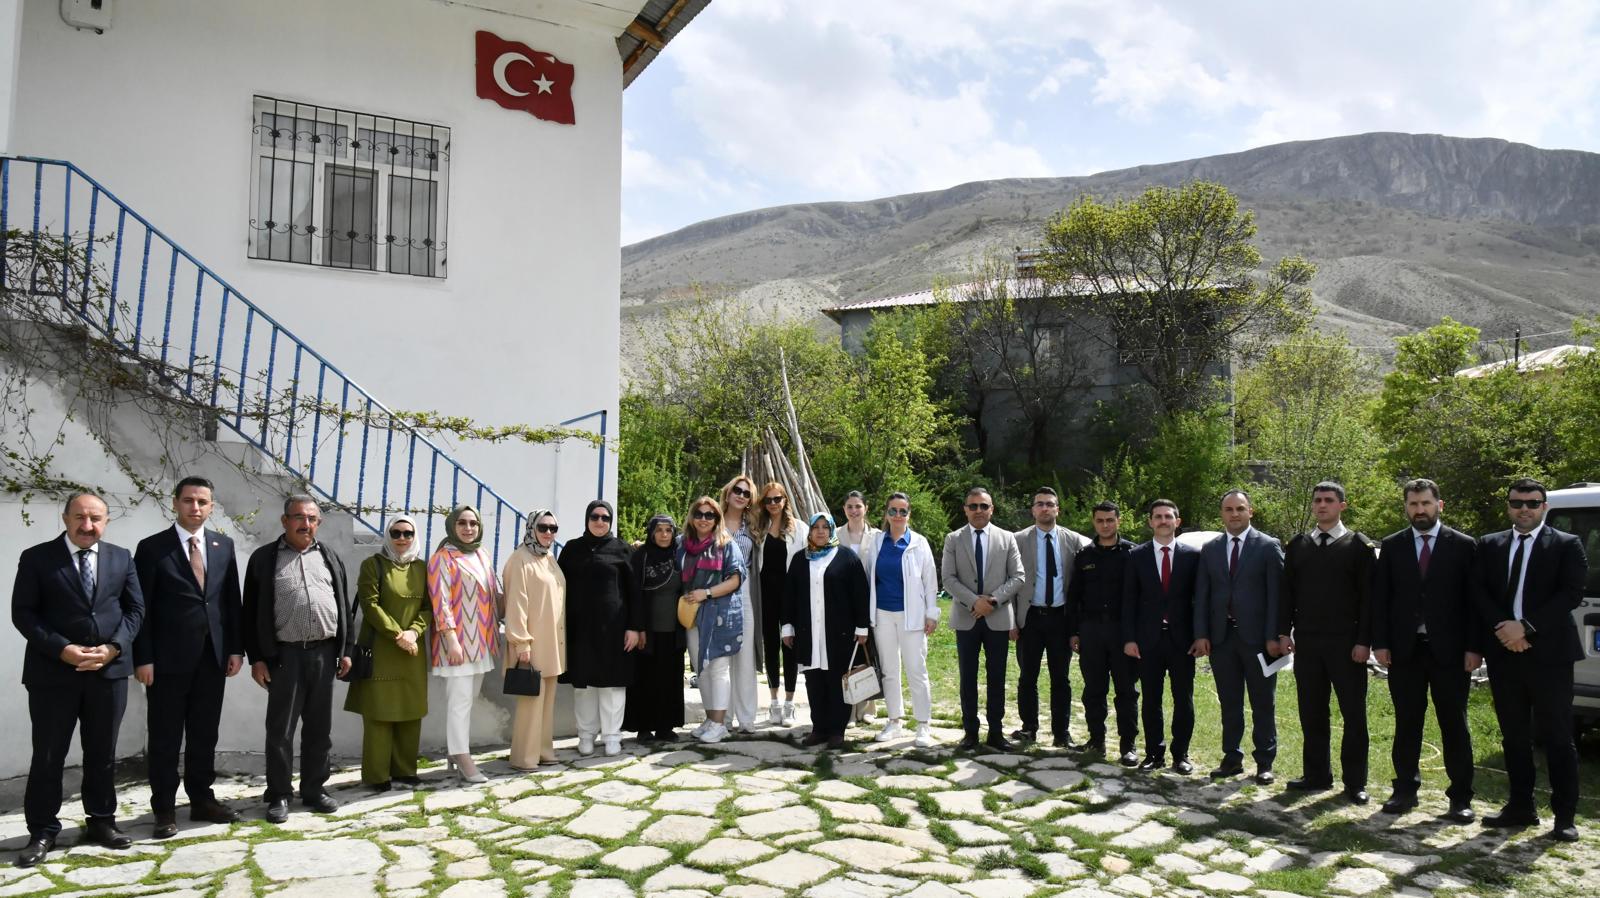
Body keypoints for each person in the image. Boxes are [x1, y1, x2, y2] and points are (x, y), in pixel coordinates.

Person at [11, 492, 144, 867]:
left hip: (108, 673)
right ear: (66, 518)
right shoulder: (37, 558)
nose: (88, 526)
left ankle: (101, 821)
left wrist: (114, 648)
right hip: (53, 674)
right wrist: (62, 649)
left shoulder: (121, 557)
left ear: (105, 521)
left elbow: (135, 609)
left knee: (102, 753)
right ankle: (42, 831)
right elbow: (24, 614)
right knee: (49, 754)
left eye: (96, 518)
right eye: (81, 518)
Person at [1472, 478, 1588, 842]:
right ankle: (1520, 806)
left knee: (1557, 736)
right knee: (1514, 735)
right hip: (1505, 654)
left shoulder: (1567, 545)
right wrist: (1503, 629)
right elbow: (1479, 592)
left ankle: (1564, 816)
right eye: (1518, 502)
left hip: (1550, 655)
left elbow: (1570, 594)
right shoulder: (1490, 545)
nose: (1525, 508)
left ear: (1544, 507)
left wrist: (1526, 628)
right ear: (1508, 506)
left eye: (1533, 502)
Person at [133, 476, 243, 838]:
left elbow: (230, 602)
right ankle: (164, 807)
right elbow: (140, 607)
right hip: (165, 663)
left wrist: (235, 649)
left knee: (203, 734)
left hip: (211, 660)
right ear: (176, 503)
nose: (195, 507)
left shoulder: (223, 546)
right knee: (165, 736)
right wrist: (143, 657)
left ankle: (202, 798)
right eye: (188, 500)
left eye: (202, 502)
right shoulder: (152, 548)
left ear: (211, 506)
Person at [1370, 478, 1480, 823]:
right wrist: (1381, 642)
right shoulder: (1393, 545)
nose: (1420, 510)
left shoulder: (1463, 546)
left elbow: (1475, 603)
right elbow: (1381, 599)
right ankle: (1405, 790)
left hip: (1450, 652)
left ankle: (1460, 796)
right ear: (1406, 507)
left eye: (1426, 504)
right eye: (1414, 505)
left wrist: (1475, 648)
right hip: (1405, 650)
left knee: (1454, 724)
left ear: (1439, 505)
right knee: (1407, 723)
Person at [242, 495, 352, 823]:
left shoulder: (329, 556)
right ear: (284, 520)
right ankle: (278, 794)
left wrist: (345, 650)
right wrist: (257, 659)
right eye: (299, 518)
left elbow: (342, 605)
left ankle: (314, 789)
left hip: (324, 652)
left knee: (320, 728)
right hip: (285, 656)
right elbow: (250, 614)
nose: (306, 524)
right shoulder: (265, 558)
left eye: (312, 519)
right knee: (281, 729)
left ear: (319, 523)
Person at [1277, 482, 1377, 805]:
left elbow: (1368, 602)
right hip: (1307, 644)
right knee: (1312, 712)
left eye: (1329, 500)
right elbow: (1286, 596)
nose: (1322, 505)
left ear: (1342, 506)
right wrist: (1283, 633)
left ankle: (1355, 782)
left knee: (1353, 714)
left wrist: (1365, 642)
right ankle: (1317, 774)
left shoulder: (1358, 547)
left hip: (1347, 646)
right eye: (1317, 500)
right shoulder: (1298, 546)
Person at [1193, 489, 1285, 784]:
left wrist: (1275, 635)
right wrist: (1202, 634)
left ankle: (1264, 762)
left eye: (1240, 509)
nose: (1234, 514)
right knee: (1230, 702)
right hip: (1222, 639)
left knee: (1263, 702)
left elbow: (1278, 596)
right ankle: (1232, 757)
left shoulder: (1268, 546)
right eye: (1229, 509)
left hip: (1259, 639)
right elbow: (1202, 595)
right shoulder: (1211, 548)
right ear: (1222, 514)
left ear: (1250, 512)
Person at [342, 514, 431, 791]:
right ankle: (377, 775)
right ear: (387, 535)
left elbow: (429, 607)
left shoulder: (423, 568)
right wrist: (397, 635)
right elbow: (370, 606)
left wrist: (414, 632)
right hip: (382, 648)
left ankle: (405, 770)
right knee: (379, 714)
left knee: (410, 711)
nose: (402, 539)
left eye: (408, 533)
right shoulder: (374, 565)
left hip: (412, 649)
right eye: (396, 533)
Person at [942, 486, 1025, 751]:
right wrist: (973, 601)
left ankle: (996, 733)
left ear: (992, 509)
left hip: (997, 618)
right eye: (973, 506)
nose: (979, 510)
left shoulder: (1007, 538)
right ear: (965, 509)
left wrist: (991, 601)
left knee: (997, 677)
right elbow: (948, 578)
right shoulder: (953, 539)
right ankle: (970, 733)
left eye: (984, 506)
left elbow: (1018, 576)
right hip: (966, 619)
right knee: (968, 677)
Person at [559, 499, 645, 757]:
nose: (599, 522)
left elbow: (635, 593)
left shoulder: (622, 550)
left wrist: (634, 627)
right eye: (595, 517)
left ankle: (612, 736)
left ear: (611, 521)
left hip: (615, 630)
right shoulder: (572, 550)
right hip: (580, 631)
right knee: (584, 687)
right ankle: (585, 735)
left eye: (605, 518)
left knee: (612, 685)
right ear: (587, 519)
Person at [1121, 499, 1201, 774]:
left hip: (1183, 641)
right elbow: (1128, 600)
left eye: (1168, 516)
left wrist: (1200, 635)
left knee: (1184, 699)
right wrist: (1130, 639)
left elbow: (1199, 600)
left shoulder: (1193, 555)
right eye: (1158, 516)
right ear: (1150, 522)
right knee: (1151, 699)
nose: (1163, 521)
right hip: (1147, 641)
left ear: (1177, 522)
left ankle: (1182, 755)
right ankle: (1154, 753)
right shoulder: (1136, 555)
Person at [781, 513, 870, 749]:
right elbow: (789, 595)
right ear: (809, 531)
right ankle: (819, 728)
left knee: (836, 680)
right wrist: (787, 627)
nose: (820, 532)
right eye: (816, 527)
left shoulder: (847, 558)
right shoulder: (800, 559)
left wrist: (862, 626)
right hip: (808, 632)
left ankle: (837, 730)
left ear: (831, 530)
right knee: (814, 680)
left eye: (825, 527)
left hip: (840, 633)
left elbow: (860, 594)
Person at [858, 492, 940, 747]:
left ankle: (923, 725)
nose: (897, 516)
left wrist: (931, 613)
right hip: (883, 615)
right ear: (886, 514)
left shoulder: (919, 543)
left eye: (902, 511)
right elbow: (870, 576)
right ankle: (895, 721)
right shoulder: (876, 542)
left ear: (909, 514)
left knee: (917, 669)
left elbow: (929, 582)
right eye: (892, 511)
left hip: (912, 616)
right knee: (890, 671)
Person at [427, 504, 501, 783]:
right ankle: (462, 756)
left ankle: (455, 751)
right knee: (459, 702)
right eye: (462, 523)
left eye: (473, 523)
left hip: (482, 641)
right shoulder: (442, 558)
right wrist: (450, 639)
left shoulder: (482, 554)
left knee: (468, 700)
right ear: (452, 526)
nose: (469, 528)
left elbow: (493, 594)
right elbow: (440, 601)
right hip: (456, 643)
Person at [1012, 487, 1089, 748]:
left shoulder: (1075, 541)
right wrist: (1012, 621)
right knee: (1027, 676)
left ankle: (1061, 733)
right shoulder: (1018, 540)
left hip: (1061, 618)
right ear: (1033, 509)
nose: (1045, 508)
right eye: (1040, 504)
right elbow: (1009, 581)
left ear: (1058, 509)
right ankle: (1028, 728)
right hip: (1030, 617)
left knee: (1061, 678)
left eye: (1050, 504)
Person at [1068, 501, 1139, 765]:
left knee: (1126, 691)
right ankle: (1096, 740)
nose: (1105, 525)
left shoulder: (1133, 553)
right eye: (1100, 521)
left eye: (1110, 520)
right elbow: (1074, 597)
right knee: (1093, 690)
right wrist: (1074, 632)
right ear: (1093, 522)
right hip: (1091, 631)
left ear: (1118, 521)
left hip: (1122, 632)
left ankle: (1128, 746)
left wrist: (1134, 634)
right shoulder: (1084, 555)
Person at [679, 496, 748, 744]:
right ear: (692, 517)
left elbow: (736, 579)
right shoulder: (683, 544)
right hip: (693, 615)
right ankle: (710, 719)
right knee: (702, 669)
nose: (704, 519)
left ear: (717, 518)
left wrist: (705, 593)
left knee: (718, 669)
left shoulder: (726, 544)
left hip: (719, 613)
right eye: (699, 514)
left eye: (710, 515)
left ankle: (720, 724)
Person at [503, 511, 566, 769]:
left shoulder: (548, 557)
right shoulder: (520, 559)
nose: (548, 532)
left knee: (547, 699)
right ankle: (524, 757)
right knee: (531, 699)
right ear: (531, 528)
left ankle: (543, 750)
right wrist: (521, 643)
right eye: (543, 527)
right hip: (532, 641)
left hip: (552, 640)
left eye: (553, 528)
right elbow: (516, 603)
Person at [623, 514, 685, 743]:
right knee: (646, 680)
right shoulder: (641, 556)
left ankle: (665, 727)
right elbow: (635, 595)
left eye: (668, 530)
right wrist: (638, 628)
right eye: (659, 530)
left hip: (674, 631)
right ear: (651, 532)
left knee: (669, 679)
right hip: (647, 631)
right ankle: (643, 727)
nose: (664, 535)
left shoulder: (679, 556)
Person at [752, 481, 804, 727]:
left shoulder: (799, 529)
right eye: (768, 500)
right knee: (770, 645)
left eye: (777, 499)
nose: (773, 504)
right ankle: (773, 702)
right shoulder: (758, 527)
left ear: (785, 500)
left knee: (790, 645)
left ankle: (790, 703)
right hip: (765, 595)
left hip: (790, 594)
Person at [720, 476, 762, 733]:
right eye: (737, 490)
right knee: (721, 658)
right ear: (728, 492)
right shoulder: (712, 518)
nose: (741, 495)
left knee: (744, 655)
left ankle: (746, 719)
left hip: (744, 589)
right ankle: (721, 718)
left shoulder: (753, 526)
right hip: (716, 590)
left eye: (746, 493)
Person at [838, 490, 883, 726]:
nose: (854, 511)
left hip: (870, 602)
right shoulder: (835, 535)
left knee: (869, 654)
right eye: (849, 507)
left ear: (866, 508)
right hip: (843, 604)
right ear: (844, 510)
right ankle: (848, 708)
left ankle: (867, 707)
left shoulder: (877, 536)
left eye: (858, 506)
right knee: (847, 655)